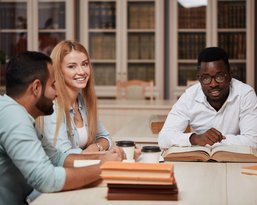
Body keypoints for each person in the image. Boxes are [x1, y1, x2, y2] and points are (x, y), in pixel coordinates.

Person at [0, 51, 124, 205]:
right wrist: (102, 167)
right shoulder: (14, 117)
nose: (58, 92)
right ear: (36, 88)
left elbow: (58, 158)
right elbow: (46, 180)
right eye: (53, 85)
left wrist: (104, 158)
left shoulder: (20, 114)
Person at [158, 47, 257, 148]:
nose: (213, 84)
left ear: (230, 75)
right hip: (201, 161)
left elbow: (253, 141)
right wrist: (195, 138)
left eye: (219, 77)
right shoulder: (189, 97)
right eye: (206, 78)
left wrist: (215, 141)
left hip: (236, 161)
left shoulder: (245, 94)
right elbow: (163, 138)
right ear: (199, 78)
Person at [41, 40, 111, 154]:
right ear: (59, 71)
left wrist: (95, 147)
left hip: (82, 167)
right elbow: (64, 155)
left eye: (85, 64)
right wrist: (92, 153)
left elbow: (105, 137)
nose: (81, 71)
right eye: (72, 66)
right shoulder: (53, 106)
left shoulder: (82, 101)